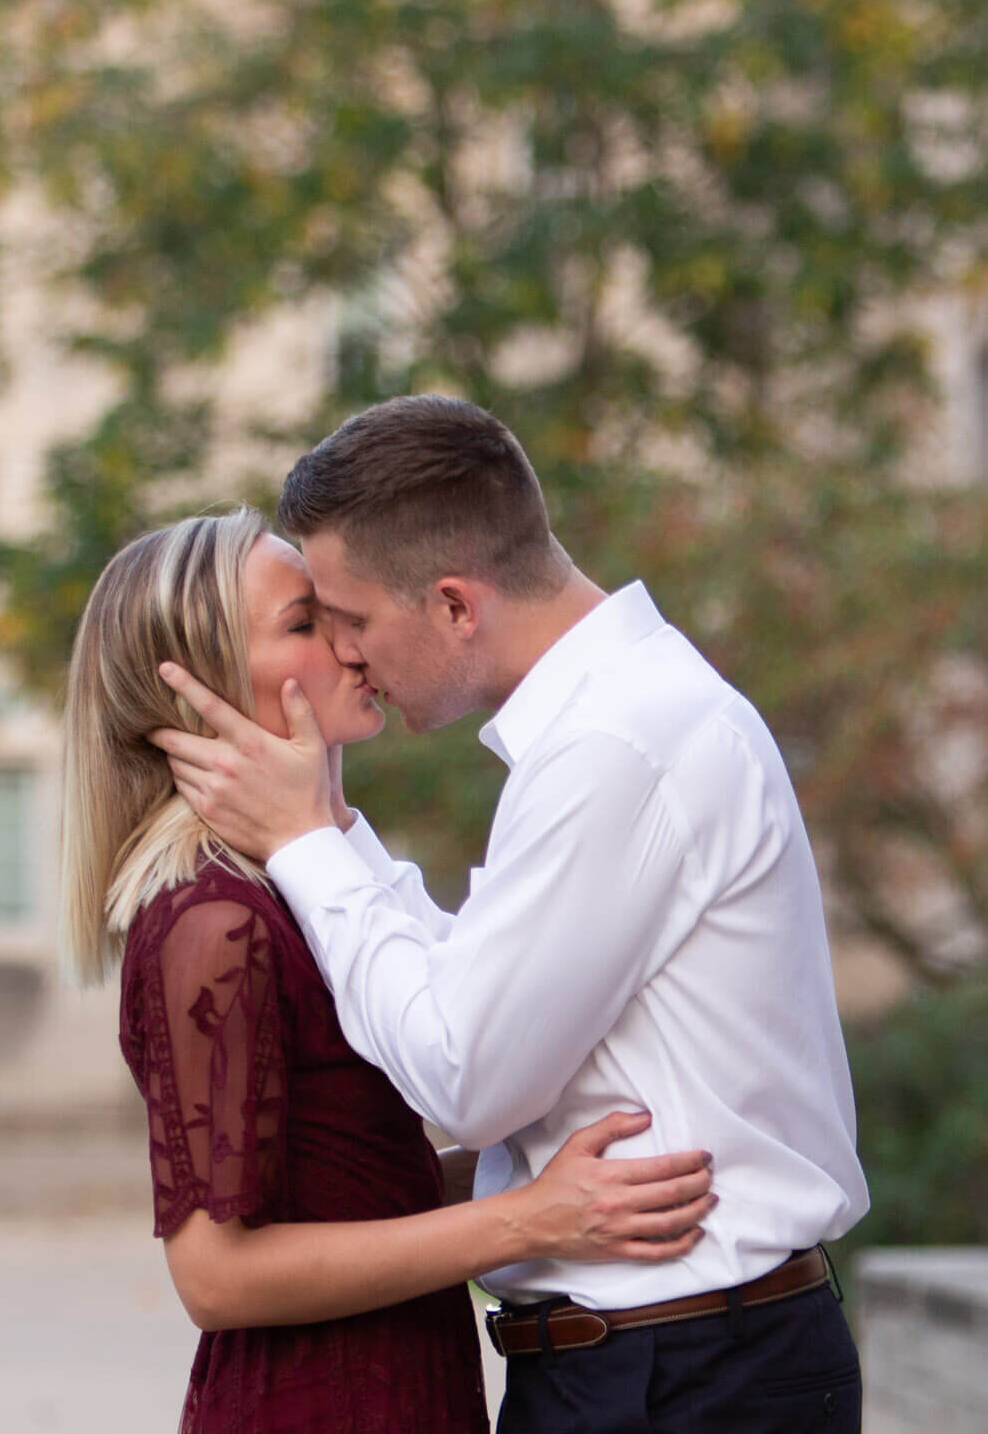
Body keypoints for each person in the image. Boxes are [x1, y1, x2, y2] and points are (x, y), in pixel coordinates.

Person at [152, 397, 871, 1434]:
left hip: (683, 1372)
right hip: (665, 1360)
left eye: (347, 617)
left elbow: (466, 1070)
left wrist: (309, 841)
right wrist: (335, 830)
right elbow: (483, 997)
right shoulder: (616, 719)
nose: (348, 656)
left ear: (452, 603)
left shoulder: (613, 745)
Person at [61, 504, 717, 1434]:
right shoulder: (214, 920)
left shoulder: (296, 887)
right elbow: (215, 1273)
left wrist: (547, 1170)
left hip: (406, 1383)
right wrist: (528, 1218)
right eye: (302, 624)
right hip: (319, 1403)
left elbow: (344, 1181)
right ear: (200, 688)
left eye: (336, 611)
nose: (349, 644)